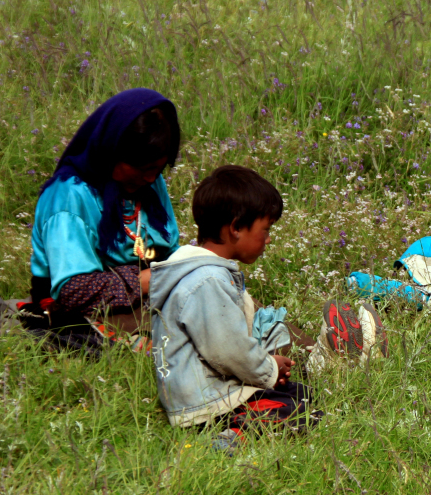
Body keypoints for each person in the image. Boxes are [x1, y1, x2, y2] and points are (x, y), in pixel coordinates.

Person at [148, 165, 386, 445]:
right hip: (205, 405)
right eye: (265, 229)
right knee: (300, 411)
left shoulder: (200, 273)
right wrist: (268, 370)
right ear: (236, 227)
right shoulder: (207, 281)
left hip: (203, 395)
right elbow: (228, 351)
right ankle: (232, 436)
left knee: (303, 395)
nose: (269, 238)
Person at [24, 89, 181, 353]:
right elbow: (74, 292)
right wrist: (153, 279)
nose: (152, 179)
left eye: (158, 170)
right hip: (83, 312)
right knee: (177, 347)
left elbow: (169, 252)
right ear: (111, 152)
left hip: (147, 296)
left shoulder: (148, 185)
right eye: (144, 170)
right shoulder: (68, 198)